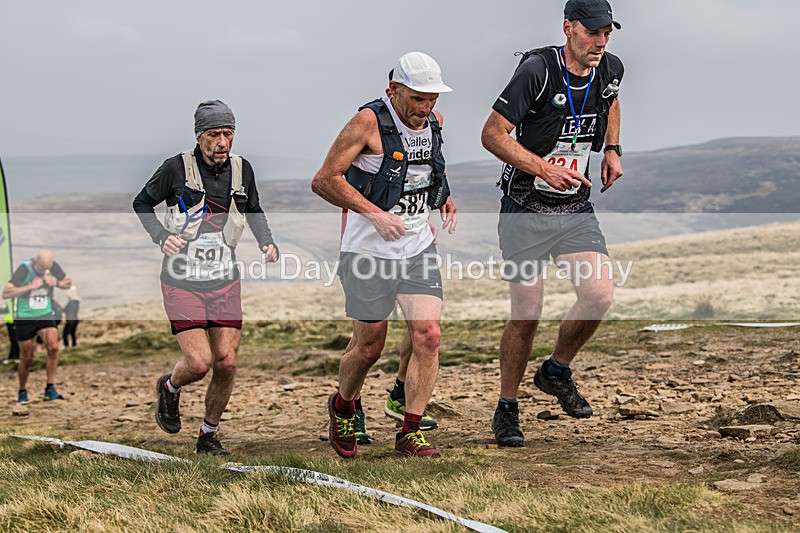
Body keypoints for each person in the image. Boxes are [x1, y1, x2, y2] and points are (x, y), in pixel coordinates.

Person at [481, 0, 624, 447]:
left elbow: (611, 98)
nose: (600, 42)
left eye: (606, 34)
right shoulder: (537, 71)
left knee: (599, 294)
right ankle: (506, 408)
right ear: (568, 28)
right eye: (591, 33)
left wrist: (614, 148)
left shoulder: (610, 67)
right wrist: (543, 168)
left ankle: (556, 370)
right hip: (524, 206)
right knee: (527, 315)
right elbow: (491, 134)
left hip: (574, 208)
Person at [312, 52, 457, 458]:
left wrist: (443, 199)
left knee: (428, 334)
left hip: (416, 247)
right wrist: (374, 214)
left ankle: (410, 431)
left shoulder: (435, 124)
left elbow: (428, 171)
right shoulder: (368, 123)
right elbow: (324, 180)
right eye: (417, 98)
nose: (426, 108)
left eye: (432, 99)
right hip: (367, 251)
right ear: (394, 90)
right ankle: (343, 405)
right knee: (369, 347)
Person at [133, 100, 279, 456]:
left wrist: (267, 241)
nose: (222, 142)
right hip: (181, 281)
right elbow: (141, 202)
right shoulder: (175, 168)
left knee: (227, 362)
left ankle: (208, 435)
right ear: (199, 137)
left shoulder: (243, 170)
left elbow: (254, 208)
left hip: (224, 279)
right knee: (199, 363)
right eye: (214, 135)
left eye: (228, 134)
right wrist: (160, 236)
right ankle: (169, 388)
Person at [2, 250, 71, 402]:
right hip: (24, 317)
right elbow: (6, 293)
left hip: (44, 313)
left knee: (53, 347)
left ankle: (50, 387)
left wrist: (56, 283)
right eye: (41, 269)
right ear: (35, 263)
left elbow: (68, 283)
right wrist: (29, 286)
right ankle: (22, 390)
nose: (44, 271)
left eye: (47, 268)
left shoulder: (52, 267)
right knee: (27, 357)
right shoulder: (24, 269)